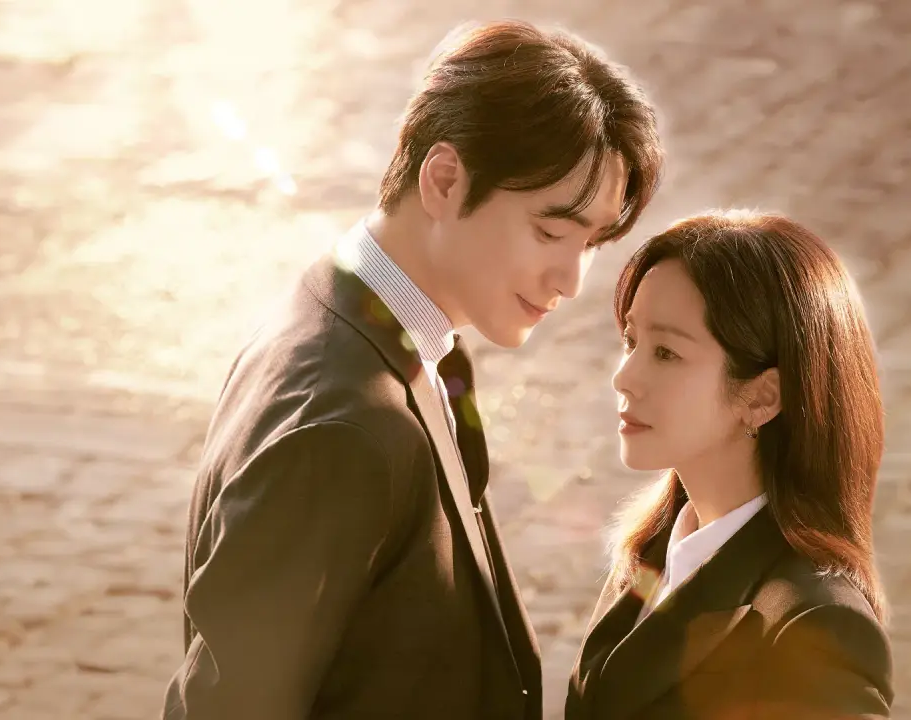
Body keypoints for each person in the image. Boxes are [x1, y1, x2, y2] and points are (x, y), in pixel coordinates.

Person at [162, 19, 663, 720]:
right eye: (550, 231)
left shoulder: (372, 325)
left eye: (592, 243)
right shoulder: (343, 430)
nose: (571, 280)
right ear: (444, 181)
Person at [566, 211, 894, 720]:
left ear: (762, 397)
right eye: (631, 341)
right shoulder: (651, 556)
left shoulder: (814, 626)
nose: (624, 377)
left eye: (666, 353)